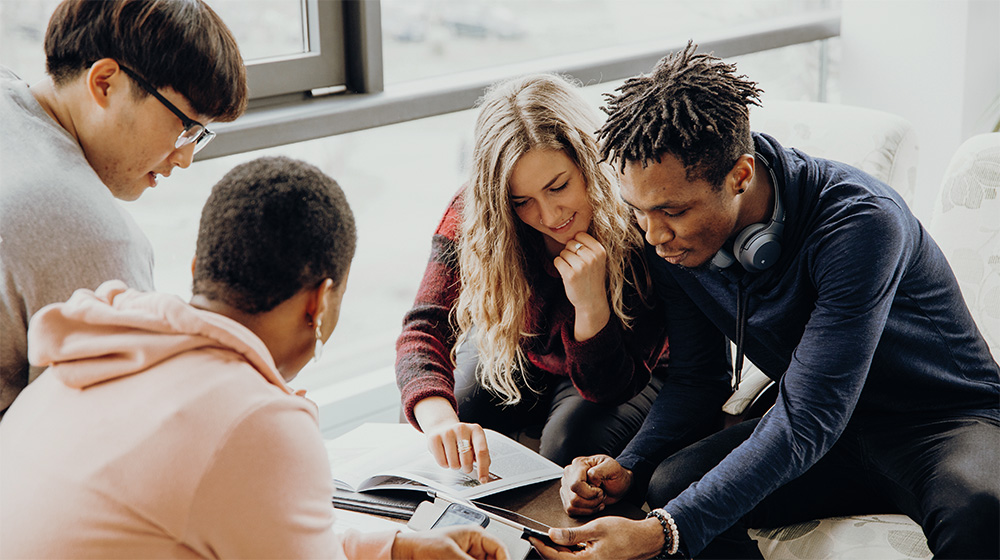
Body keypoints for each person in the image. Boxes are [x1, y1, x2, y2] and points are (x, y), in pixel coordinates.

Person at [542, 43, 1000, 559]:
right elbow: (698, 378)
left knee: (982, 509)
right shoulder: (673, 237)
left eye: (671, 211)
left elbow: (808, 417)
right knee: (670, 483)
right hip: (836, 433)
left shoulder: (861, 224)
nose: (653, 235)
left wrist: (661, 533)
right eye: (639, 210)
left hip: (942, 422)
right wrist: (629, 463)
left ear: (740, 175)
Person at [0, 156, 508, 560]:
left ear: (201, 266)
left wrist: (395, 549)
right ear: (321, 301)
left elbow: (258, 532)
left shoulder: (92, 351)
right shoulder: (255, 420)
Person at [396, 73, 725, 482]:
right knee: (440, 408)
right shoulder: (478, 216)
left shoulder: (639, 216)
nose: (550, 217)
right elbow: (423, 328)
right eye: (522, 202)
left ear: (588, 161)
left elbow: (610, 387)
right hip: (528, 349)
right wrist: (440, 420)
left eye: (558, 186)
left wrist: (590, 307)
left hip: (629, 364)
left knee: (570, 444)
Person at [0, 0, 248, 418]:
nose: (185, 158)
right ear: (104, 83)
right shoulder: (92, 235)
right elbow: (120, 439)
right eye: (185, 126)